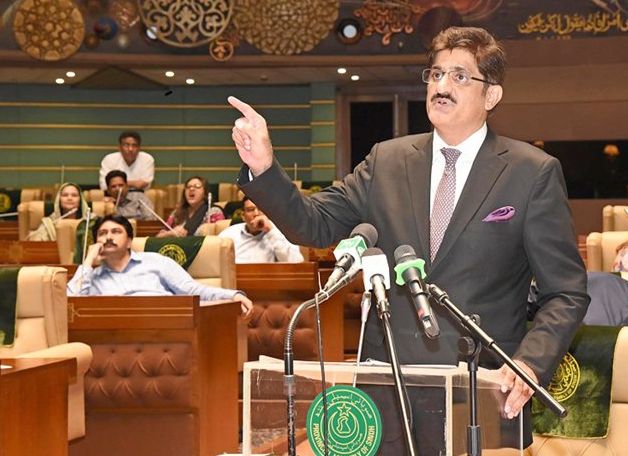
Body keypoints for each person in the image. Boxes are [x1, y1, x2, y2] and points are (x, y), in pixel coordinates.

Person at [228, 26, 589, 454]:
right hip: (387, 385)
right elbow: (315, 224)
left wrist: (529, 364)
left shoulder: (532, 172)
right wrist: (265, 169)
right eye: (435, 74)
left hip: (480, 388)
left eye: (459, 76)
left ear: (491, 95)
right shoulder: (388, 160)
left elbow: (565, 291)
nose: (441, 86)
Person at [67, 214, 252, 315]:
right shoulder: (91, 276)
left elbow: (192, 291)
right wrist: (88, 262)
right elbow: (70, 305)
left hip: (166, 331)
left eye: (116, 232)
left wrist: (233, 296)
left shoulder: (156, 262)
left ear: (130, 241)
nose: (108, 237)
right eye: (102, 233)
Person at [218, 196, 304, 263]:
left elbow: (295, 262)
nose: (256, 213)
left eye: (261, 209)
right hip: (234, 282)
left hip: (268, 281)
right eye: (250, 210)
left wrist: (270, 231)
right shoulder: (228, 234)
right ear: (243, 216)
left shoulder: (283, 232)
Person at [157, 176, 223, 238]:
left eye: (197, 186)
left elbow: (219, 237)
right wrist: (171, 233)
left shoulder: (214, 212)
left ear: (205, 192)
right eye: (188, 187)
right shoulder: (176, 213)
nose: (191, 189)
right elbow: (158, 237)